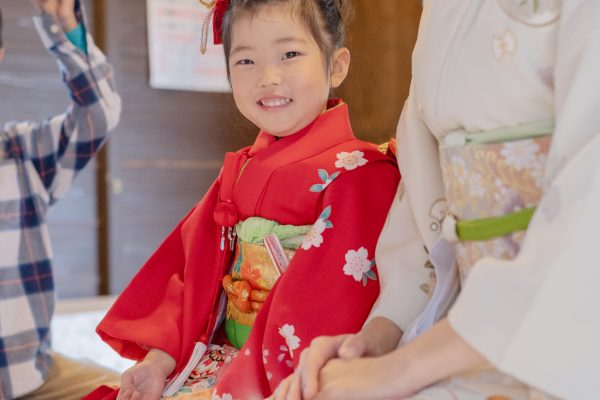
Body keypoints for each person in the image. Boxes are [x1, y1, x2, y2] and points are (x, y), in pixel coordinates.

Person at [270, 0, 600, 399]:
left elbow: (587, 224)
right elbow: (425, 188)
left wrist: (398, 371)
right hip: (454, 325)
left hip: (555, 339)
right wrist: (380, 335)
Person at [84, 0, 400, 399]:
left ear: (336, 65)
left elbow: (332, 307)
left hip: (284, 372)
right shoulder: (243, 168)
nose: (268, 78)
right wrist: (159, 361)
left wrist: (243, 379)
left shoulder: (361, 172)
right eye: (246, 61)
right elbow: (192, 272)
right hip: (221, 357)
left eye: (289, 54)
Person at [0, 0, 121, 399]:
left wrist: (64, 25)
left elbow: (98, 113)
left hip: (29, 374)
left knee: (137, 389)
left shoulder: (20, 151)